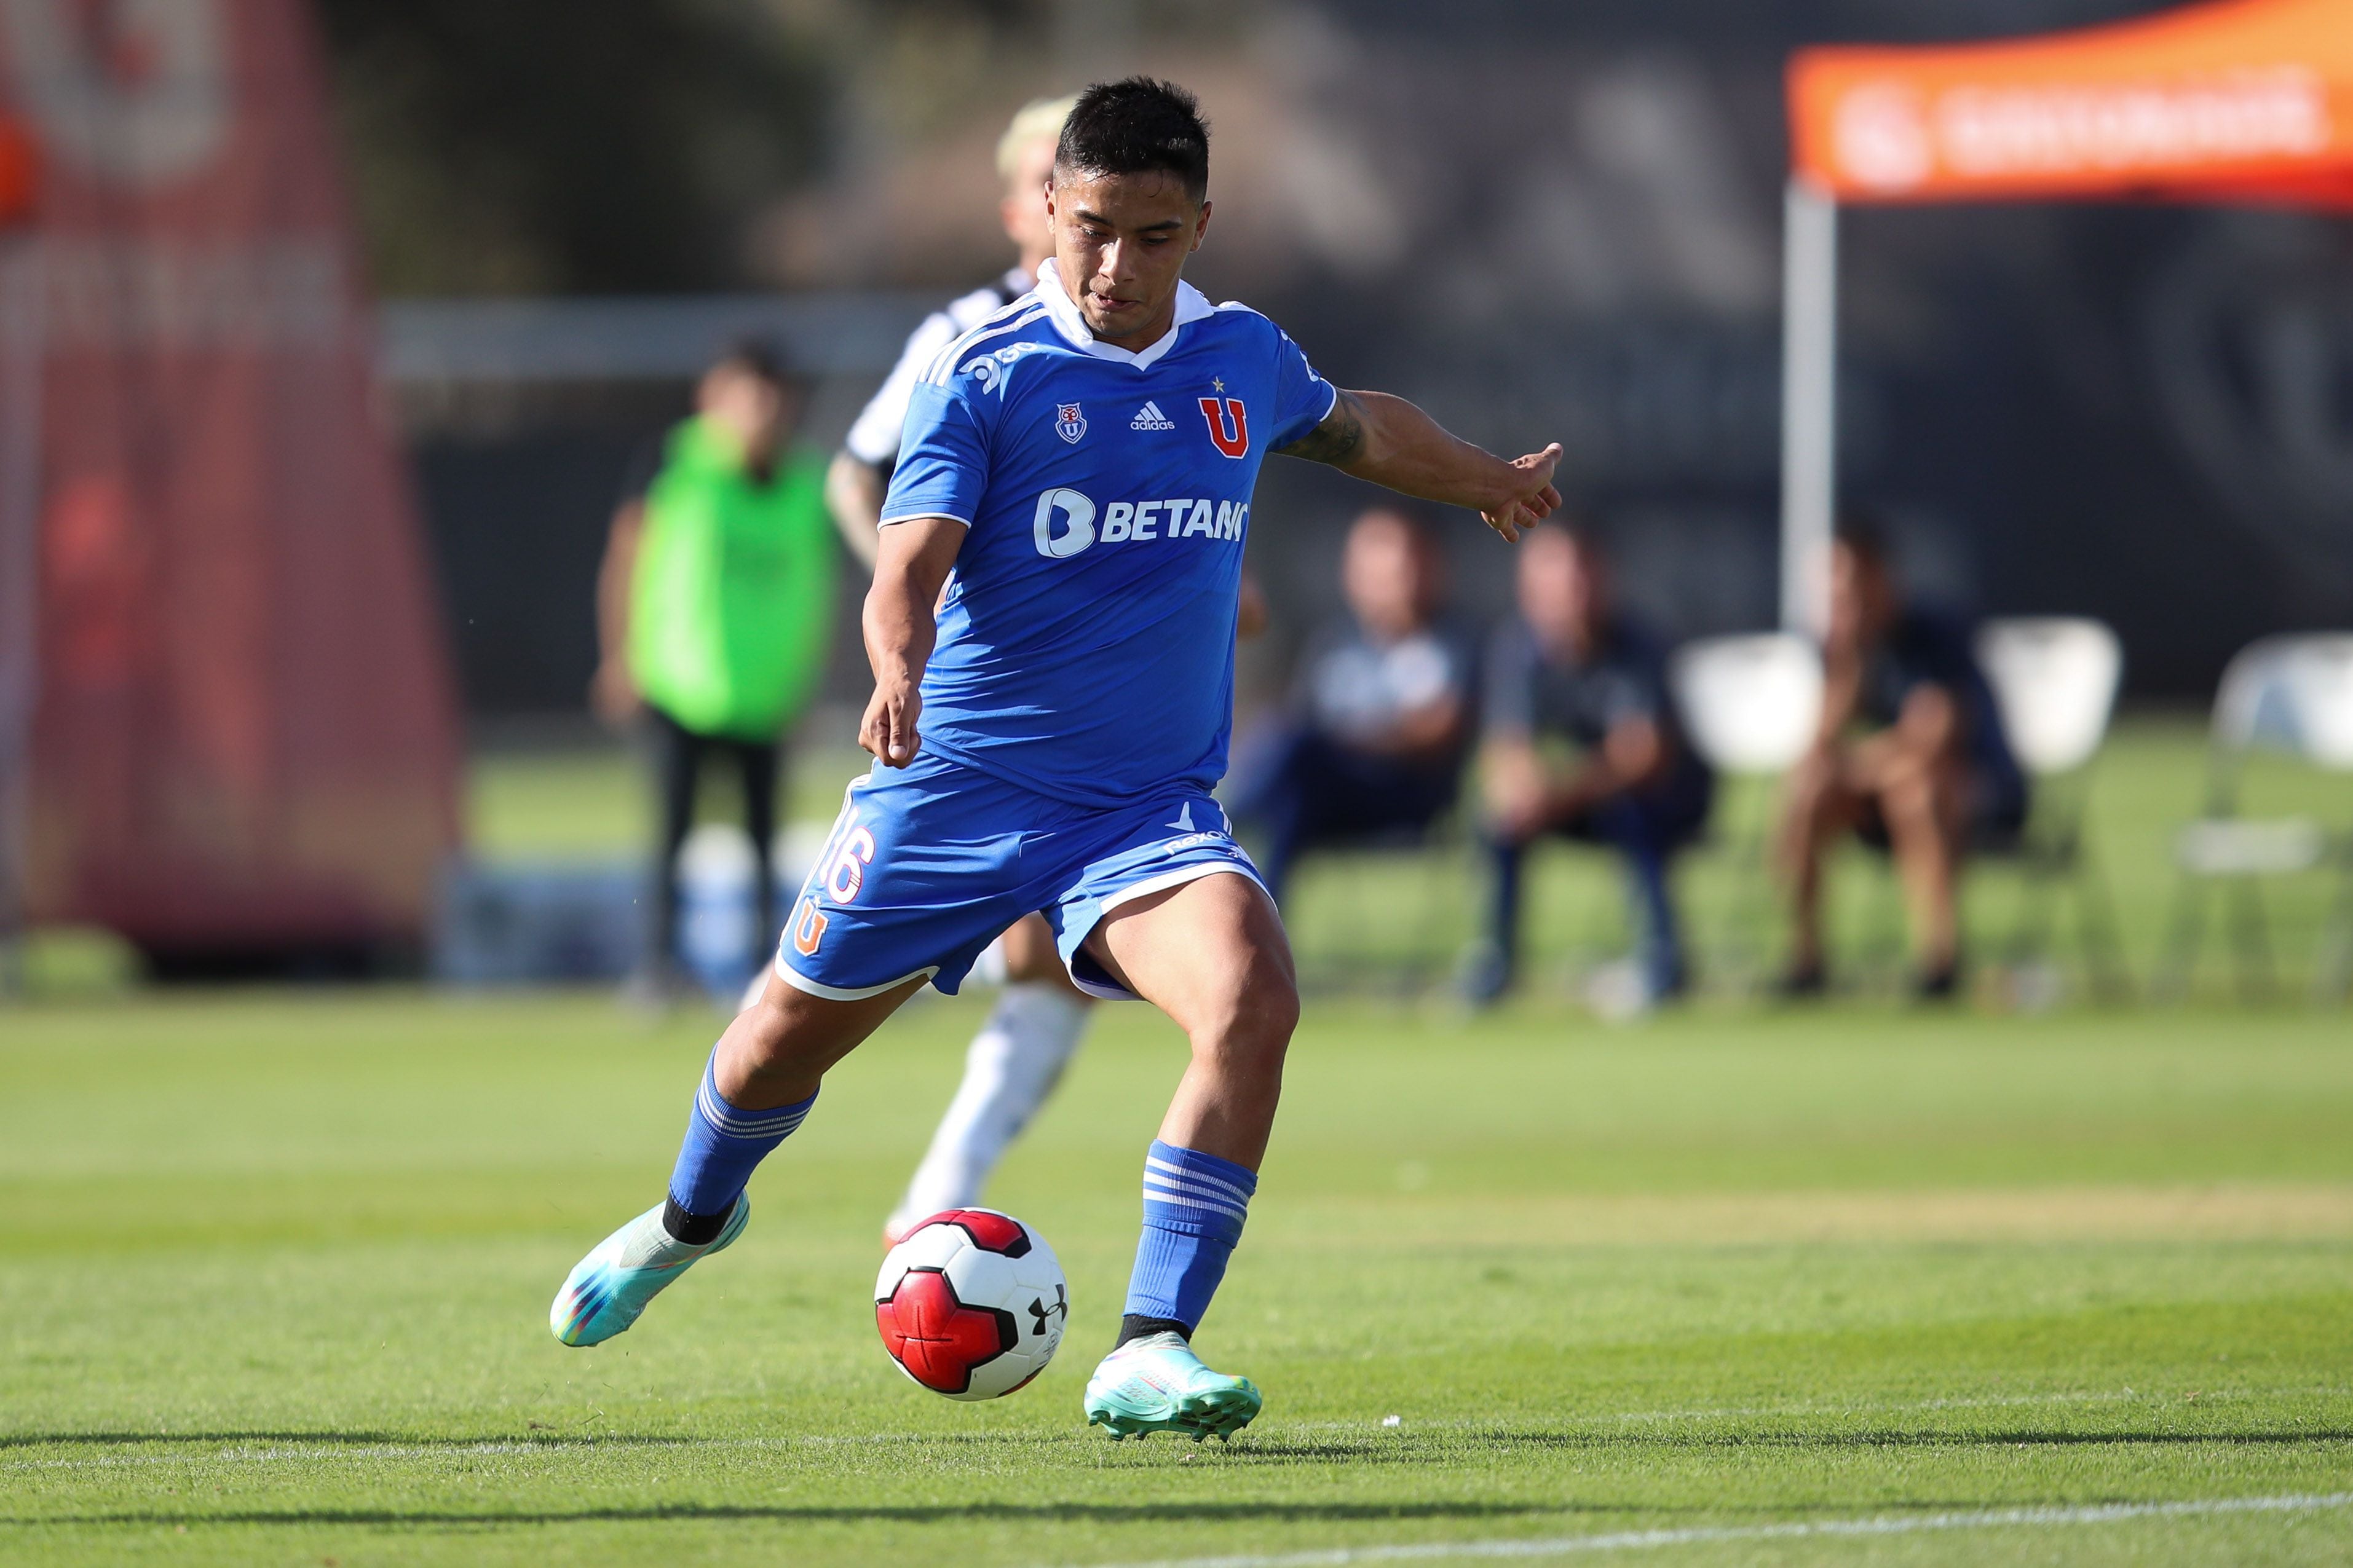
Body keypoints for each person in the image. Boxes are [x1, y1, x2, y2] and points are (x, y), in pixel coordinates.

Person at [550, 78, 1563, 1443]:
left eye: (1151, 237)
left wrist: (1485, 476)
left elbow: (1359, 426)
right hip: (952, 788)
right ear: (1044, 211)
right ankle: (684, 1223)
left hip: (1136, 813)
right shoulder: (983, 374)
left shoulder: (1242, 358)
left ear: (1198, 227)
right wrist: (896, 662)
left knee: (1252, 995)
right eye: (1090, 228)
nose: (1114, 266)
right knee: (767, 1046)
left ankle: (1148, 1344)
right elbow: (903, 564)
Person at [821, 94, 1102, 1244]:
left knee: (1052, 962)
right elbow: (856, 473)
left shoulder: (1161, 332)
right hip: (982, 696)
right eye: (1050, 177)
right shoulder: (965, 334)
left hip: (1101, 704)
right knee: (865, 948)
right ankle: (723, 1157)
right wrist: (911, 601)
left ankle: (937, 1192)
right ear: (1016, 206)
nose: (1070, 200)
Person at [593, 341, 835, 999]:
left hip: (764, 690)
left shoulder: (808, 478)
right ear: (714, 396)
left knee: (765, 841)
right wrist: (618, 655)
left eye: (770, 394)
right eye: (744, 391)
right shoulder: (676, 463)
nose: (758, 409)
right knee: (670, 836)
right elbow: (626, 557)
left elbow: (814, 587)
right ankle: (658, 968)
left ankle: (769, 973)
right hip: (680, 680)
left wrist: (805, 678)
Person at [1461, 524, 1713, 1014]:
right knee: (1498, 819)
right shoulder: (1516, 650)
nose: (1568, 591)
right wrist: (1521, 789)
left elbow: (1645, 755)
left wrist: (1559, 790)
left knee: (1634, 812)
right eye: (1552, 578)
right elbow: (1504, 749)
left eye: (1579, 576)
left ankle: (1662, 962)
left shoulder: (1639, 646)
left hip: (1660, 796)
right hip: (1572, 797)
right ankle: (1493, 965)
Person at [1777, 516, 2025, 999]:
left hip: (1977, 794)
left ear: (1882, 578)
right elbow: (1817, 751)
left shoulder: (1935, 635)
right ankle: (1805, 962)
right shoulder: (1836, 650)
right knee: (1806, 793)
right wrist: (1848, 671)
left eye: (1848, 585)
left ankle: (1939, 961)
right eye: (1828, 591)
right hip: (1880, 795)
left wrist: (1855, 765)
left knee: (1916, 789)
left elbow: (1932, 737)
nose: (1838, 601)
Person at [1224, 506, 1473, 905]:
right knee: (1293, 791)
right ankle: (1259, 917)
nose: (1389, 581)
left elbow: (1437, 731)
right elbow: (1298, 723)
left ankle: (1222, 822)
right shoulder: (1335, 644)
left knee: (1301, 749)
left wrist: (1351, 740)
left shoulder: (1448, 644)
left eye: (1399, 567)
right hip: (1325, 794)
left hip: (1400, 796)